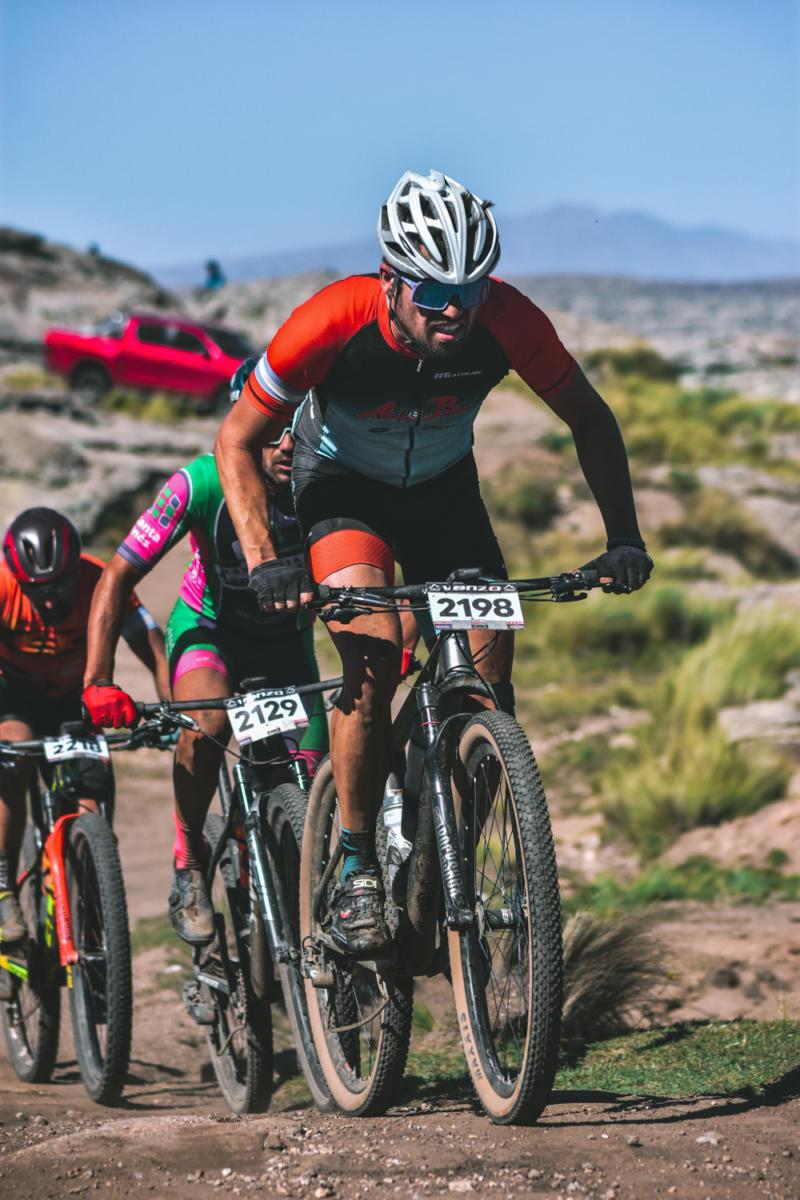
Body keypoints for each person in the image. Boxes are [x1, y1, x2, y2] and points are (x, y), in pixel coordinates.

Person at [215, 168, 653, 958]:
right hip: (343, 489)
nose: (456, 310)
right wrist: (264, 558)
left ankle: (443, 853)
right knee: (374, 657)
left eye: (471, 290)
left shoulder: (510, 319)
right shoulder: (330, 321)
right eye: (434, 293)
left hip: (444, 491)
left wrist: (624, 536)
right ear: (391, 279)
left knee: (489, 671)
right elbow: (236, 439)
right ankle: (356, 870)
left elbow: (590, 418)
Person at [82, 360, 330, 945]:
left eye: (297, 427)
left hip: (285, 642)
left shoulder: (323, 483)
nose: (287, 443)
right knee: (209, 723)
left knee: (318, 781)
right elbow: (116, 575)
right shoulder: (198, 483)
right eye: (271, 429)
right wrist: (98, 679)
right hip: (209, 631)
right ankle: (190, 860)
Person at [0, 507, 168, 944]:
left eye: (58, 585)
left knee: (89, 798)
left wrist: (170, 707)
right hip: (14, 700)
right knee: (13, 758)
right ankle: (2, 886)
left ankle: (92, 899)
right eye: (37, 590)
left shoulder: (99, 580)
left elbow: (153, 645)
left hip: (74, 702)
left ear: (75, 570)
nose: (49, 600)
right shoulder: (3, 587)